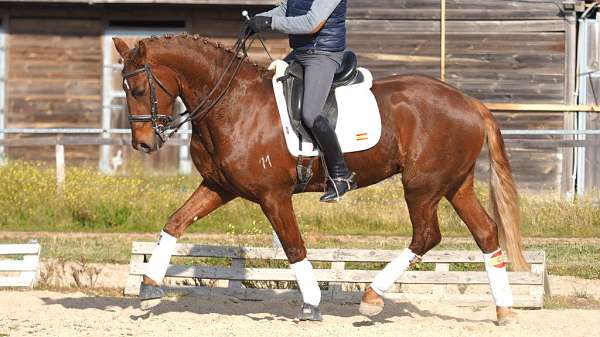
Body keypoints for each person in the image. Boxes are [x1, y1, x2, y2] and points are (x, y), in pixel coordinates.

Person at [247, 0, 357, 203]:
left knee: (310, 113)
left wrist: (269, 23)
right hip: (300, 53)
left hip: (323, 54)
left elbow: (312, 23)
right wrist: (258, 19)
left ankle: (341, 175)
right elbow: (285, 9)